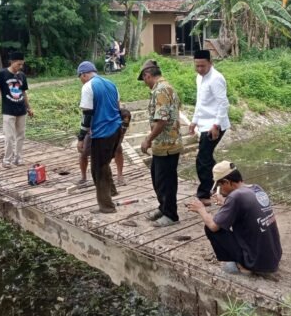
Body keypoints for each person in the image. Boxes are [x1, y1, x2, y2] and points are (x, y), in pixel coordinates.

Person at [188, 161, 282, 275]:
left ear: (227, 182)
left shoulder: (236, 196)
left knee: (210, 226)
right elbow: (245, 210)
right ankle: (251, 260)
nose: (220, 189)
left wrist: (201, 209)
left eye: (220, 185)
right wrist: (226, 203)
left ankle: (243, 265)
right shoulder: (256, 188)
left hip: (256, 262)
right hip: (273, 258)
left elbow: (213, 226)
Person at [138, 60, 183, 227]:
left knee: (166, 181)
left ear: (147, 75)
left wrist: (147, 139)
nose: (144, 83)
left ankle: (171, 215)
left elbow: (162, 120)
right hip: (162, 144)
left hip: (167, 145)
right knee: (157, 177)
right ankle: (163, 208)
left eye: (144, 79)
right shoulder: (162, 88)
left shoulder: (162, 90)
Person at [76, 61, 122, 214]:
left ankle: (106, 206)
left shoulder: (88, 87)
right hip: (116, 129)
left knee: (98, 169)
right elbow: (118, 105)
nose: (81, 80)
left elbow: (87, 115)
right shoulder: (111, 83)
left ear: (84, 74)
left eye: (80, 77)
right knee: (104, 162)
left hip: (102, 133)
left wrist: (81, 138)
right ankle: (112, 191)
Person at [188, 49, 231, 206]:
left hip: (215, 124)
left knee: (203, 159)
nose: (200, 69)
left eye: (203, 66)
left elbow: (223, 103)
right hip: (204, 123)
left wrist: (216, 125)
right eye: (197, 66)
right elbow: (200, 102)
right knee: (206, 159)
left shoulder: (216, 79)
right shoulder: (199, 78)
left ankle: (205, 194)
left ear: (210, 63)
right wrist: (194, 121)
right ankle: (224, 182)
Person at [0, 51, 34, 168]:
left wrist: (29, 107)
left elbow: (23, 92)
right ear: (12, 62)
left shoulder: (22, 76)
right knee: (9, 136)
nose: (20, 67)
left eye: (22, 65)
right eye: (18, 64)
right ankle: (7, 160)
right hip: (8, 110)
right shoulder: (2, 74)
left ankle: (18, 158)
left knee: (21, 135)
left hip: (21, 110)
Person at [78, 107, 131, 187]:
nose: (125, 123)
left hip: (109, 133)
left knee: (118, 149)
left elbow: (121, 135)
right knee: (84, 152)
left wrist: (115, 146)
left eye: (126, 122)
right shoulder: (98, 112)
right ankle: (83, 177)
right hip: (92, 130)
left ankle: (120, 176)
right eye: (123, 121)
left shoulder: (121, 122)